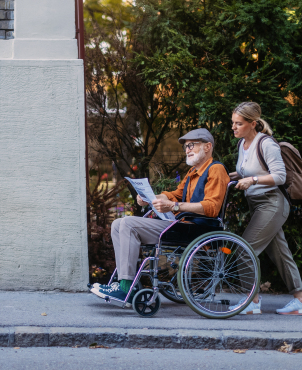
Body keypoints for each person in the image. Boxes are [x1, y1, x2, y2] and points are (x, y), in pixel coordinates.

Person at [91, 128, 230, 302]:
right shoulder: (192, 172)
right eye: (186, 147)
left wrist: (174, 206)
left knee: (127, 224)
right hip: (183, 226)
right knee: (117, 224)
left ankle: (126, 288)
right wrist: (151, 199)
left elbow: (212, 207)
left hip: (197, 229)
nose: (187, 150)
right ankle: (122, 283)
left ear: (208, 147)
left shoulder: (215, 169)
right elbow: (174, 194)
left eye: (191, 145)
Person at [229, 102, 302, 316]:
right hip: (257, 205)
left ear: (252, 124)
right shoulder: (242, 145)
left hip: (272, 203)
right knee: (280, 253)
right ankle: (300, 301)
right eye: (233, 123)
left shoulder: (266, 144)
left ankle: (252, 301)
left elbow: (279, 176)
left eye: (239, 123)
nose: (234, 128)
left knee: (244, 248)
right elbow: (246, 170)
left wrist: (253, 180)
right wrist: (231, 176)